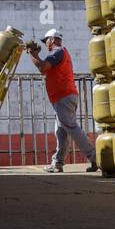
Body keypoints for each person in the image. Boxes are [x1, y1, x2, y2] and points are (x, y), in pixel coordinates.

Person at [26, 29, 97, 173]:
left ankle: (95, 157)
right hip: (63, 97)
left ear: (52, 39)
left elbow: (42, 67)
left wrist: (31, 54)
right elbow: (46, 67)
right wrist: (36, 55)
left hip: (63, 97)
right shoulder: (58, 53)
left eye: (46, 41)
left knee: (71, 127)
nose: (45, 44)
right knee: (61, 131)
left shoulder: (58, 51)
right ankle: (57, 163)